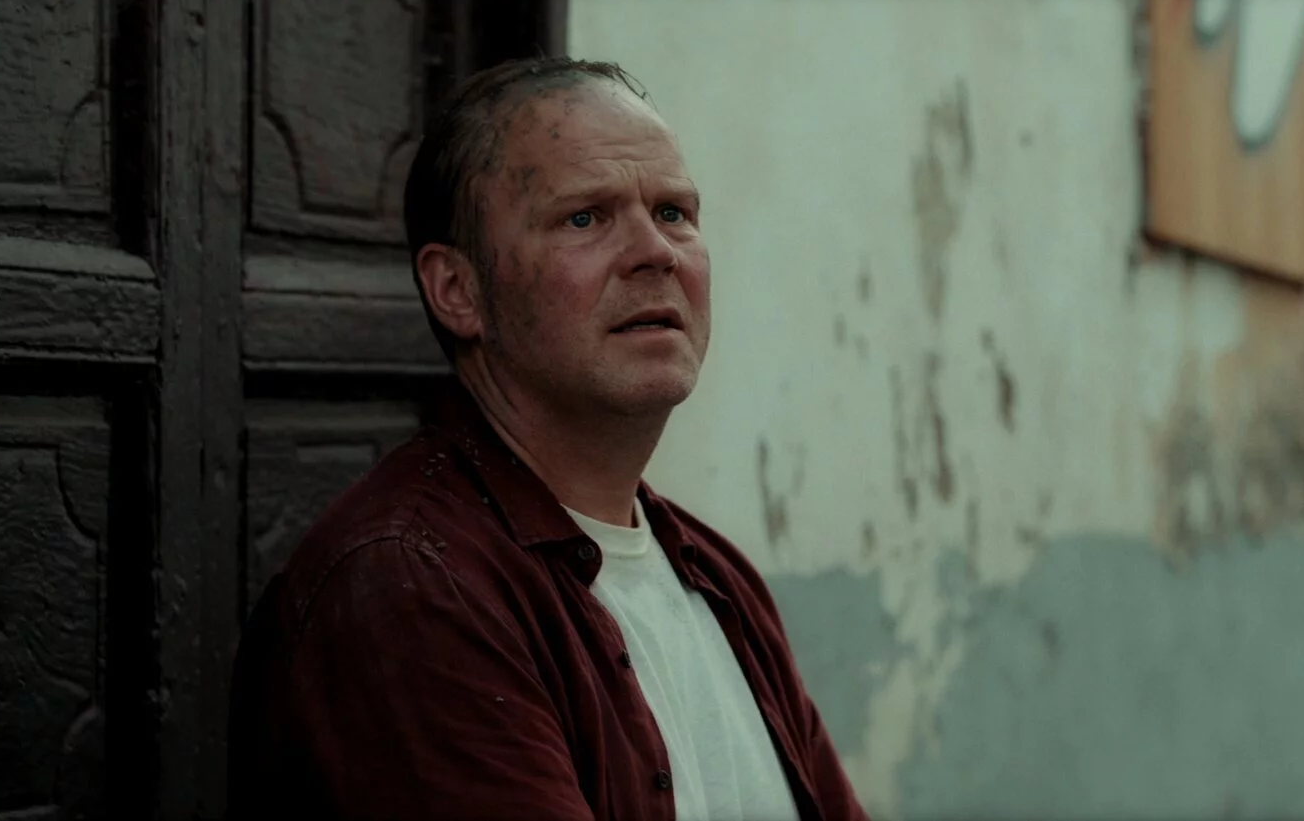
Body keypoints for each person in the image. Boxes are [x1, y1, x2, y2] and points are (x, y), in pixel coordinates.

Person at [226, 57, 870, 821]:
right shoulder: (413, 584)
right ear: (458, 290)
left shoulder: (718, 577)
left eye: (673, 212)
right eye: (585, 218)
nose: (657, 252)